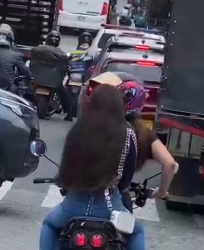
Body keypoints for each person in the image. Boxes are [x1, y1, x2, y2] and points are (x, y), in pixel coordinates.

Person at [40, 84, 145, 250]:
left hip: (74, 204)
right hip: (109, 206)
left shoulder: (78, 129)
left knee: (49, 225)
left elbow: (66, 170)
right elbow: (126, 179)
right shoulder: (128, 134)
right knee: (137, 232)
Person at [88, 71, 179, 212]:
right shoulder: (143, 134)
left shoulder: (89, 125)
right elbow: (170, 164)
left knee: (52, 224)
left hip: (83, 193)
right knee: (136, 233)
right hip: (116, 197)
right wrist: (160, 192)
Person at [30, 30, 73, 121]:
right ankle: (69, 113)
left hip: (37, 79)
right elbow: (66, 64)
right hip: (52, 80)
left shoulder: (37, 49)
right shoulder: (61, 54)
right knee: (64, 95)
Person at [65, 31, 93, 117]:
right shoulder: (92, 52)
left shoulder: (73, 51)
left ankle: (70, 112)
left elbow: (66, 60)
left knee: (70, 93)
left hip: (72, 75)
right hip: (82, 76)